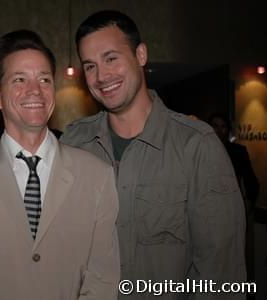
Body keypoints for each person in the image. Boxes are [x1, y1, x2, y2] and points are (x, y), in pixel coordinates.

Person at [60, 10, 246, 299]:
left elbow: (221, 277)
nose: (101, 76)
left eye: (111, 58)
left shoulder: (196, 146)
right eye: (90, 66)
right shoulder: (74, 143)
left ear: (141, 55)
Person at [0, 30, 120, 300]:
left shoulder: (97, 175)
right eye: (19, 79)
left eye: (44, 79)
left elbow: (103, 279)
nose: (35, 90)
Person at [209, 113, 259, 211]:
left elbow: (250, 179)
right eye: (215, 126)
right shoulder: (201, 150)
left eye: (223, 126)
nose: (219, 130)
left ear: (227, 129)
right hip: (208, 205)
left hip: (232, 204)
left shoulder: (238, 151)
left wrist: (249, 201)